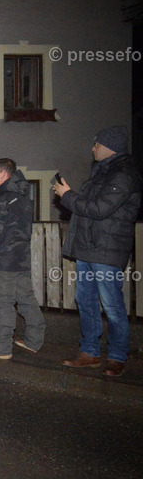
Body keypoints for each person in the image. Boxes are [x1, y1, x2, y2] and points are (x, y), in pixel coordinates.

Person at [54, 125, 141, 377]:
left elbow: (100, 209)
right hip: (89, 248)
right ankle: (89, 353)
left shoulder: (124, 174)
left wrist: (68, 195)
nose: (93, 148)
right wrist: (70, 195)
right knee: (87, 301)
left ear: (109, 147)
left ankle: (117, 357)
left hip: (107, 250)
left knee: (112, 306)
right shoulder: (101, 172)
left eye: (97, 144)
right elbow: (90, 209)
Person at [0, 159, 46, 359]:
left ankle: (0, 348)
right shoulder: (24, 197)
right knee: (26, 299)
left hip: (4, 260)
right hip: (21, 258)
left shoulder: (2, 199)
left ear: (3, 174)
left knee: (3, 303)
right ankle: (34, 340)